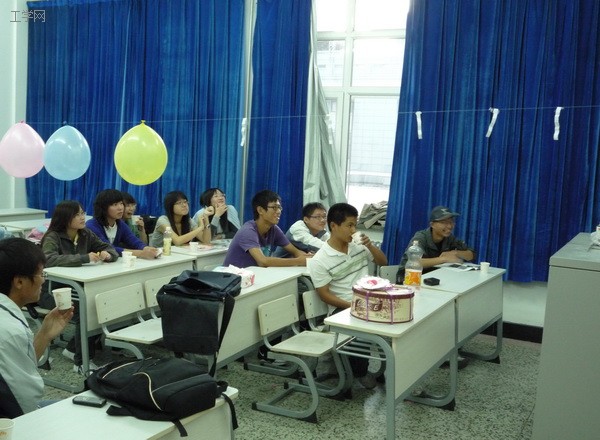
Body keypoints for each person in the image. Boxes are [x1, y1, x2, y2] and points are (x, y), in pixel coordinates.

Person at [308, 203, 388, 389]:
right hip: (341, 308)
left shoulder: (358, 246)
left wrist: (370, 245)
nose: (354, 230)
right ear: (334, 226)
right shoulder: (320, 260)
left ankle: (386, 364)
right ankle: (360, 372)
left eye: (355, 225)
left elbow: (383, 262)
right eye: (349, 225)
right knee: (363, 327)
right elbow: (324, 295)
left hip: (366, 301)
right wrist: (353, 306)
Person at [39, 200, 119, 374]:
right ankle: (82, 362)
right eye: (77, 214)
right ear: (65, 218)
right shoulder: (53, 236)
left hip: (77, 288)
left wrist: (108, 255)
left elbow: (108, 248)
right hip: (52, 291)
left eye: (82, 213)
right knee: (86, 309)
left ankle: (72, 348)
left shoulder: (85, 233)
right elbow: (48, 259)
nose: (82, 217)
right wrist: (84, 258)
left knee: (100, 303)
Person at [0, 237, 74, 414]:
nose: (43, 281)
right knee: (73, 413)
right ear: (19, 282)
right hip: (11, 421)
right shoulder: (10, 330)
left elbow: (21, 365)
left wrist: (44, 335)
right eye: (41, 274)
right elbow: (24, 399)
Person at [223, 190, 311, 268]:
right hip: (233, 277)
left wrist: (310, 257)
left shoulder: (274, 229)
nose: (279, 211)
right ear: (260, 210)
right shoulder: (248, 231)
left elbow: (296, 252)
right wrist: (298, 261)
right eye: (274, 207)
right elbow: (263, 261)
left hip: (254, 275)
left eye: (279, 207)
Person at [396, 206, 476, 283]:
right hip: (409, 279)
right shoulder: (421, 238)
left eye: (451, 222)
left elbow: (471, 254)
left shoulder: (449, 238)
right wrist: (444, 259)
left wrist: (456, 253)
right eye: (444, 222)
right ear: (432, 224)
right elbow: (413, 262)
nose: (449, 226)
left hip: (434, 278)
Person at [86, 189, 158, 260]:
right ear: (103, 208)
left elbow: (133, 240)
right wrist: (140, 253)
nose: (120, 208)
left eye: (121, 203)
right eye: (115, 204)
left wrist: (147, 248)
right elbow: (109, 248)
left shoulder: (120, 224)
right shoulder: (92, 226)